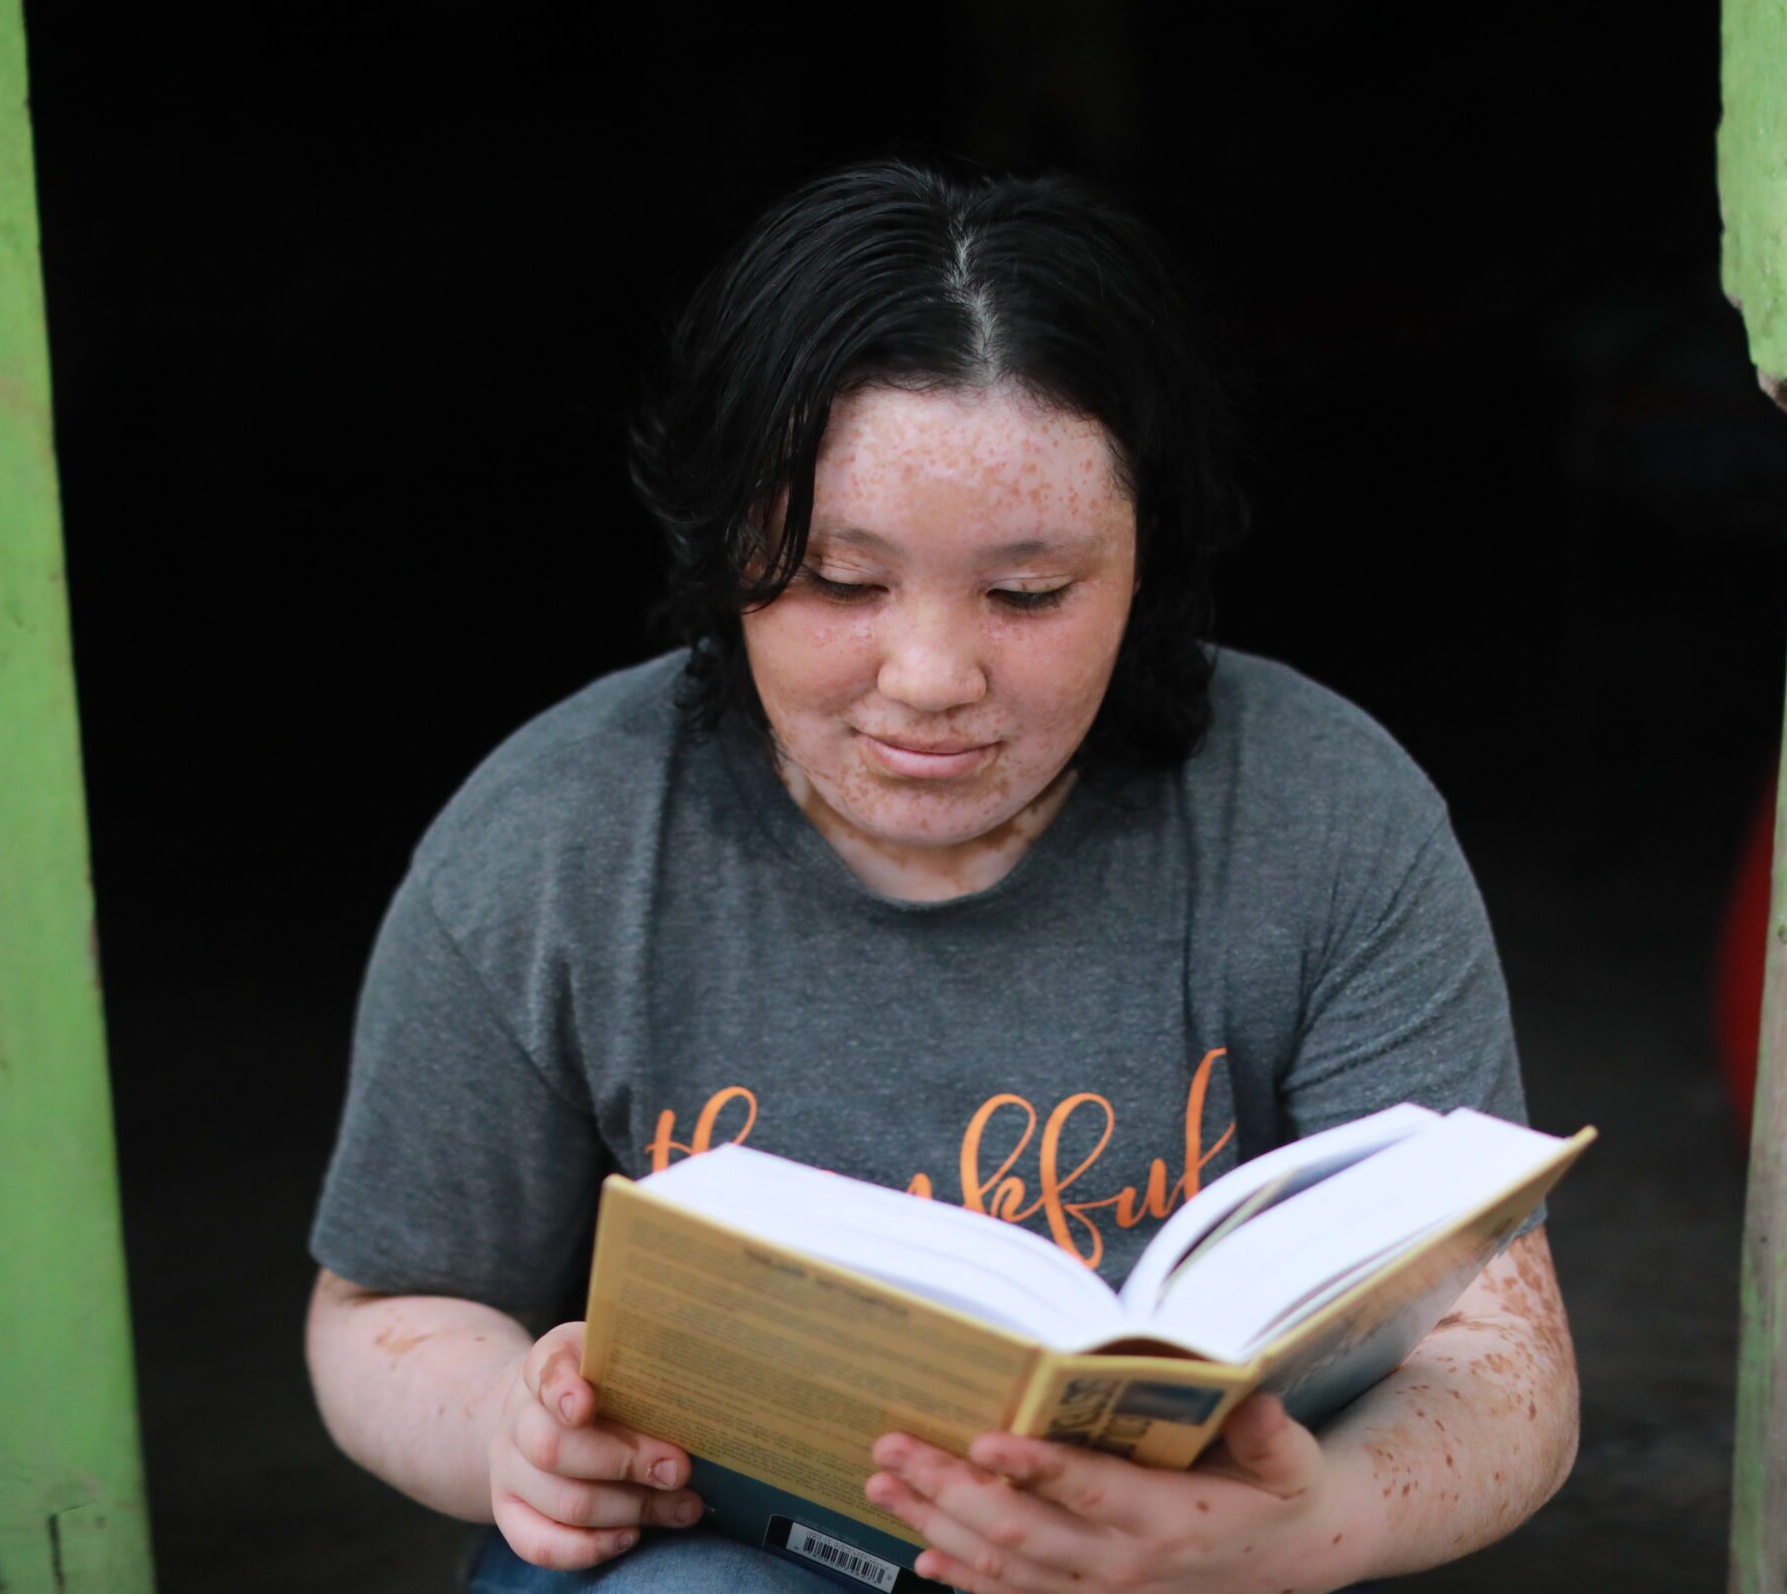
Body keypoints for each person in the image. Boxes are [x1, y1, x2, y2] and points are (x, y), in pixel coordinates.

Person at [304, 159, 1578, 1594]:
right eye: (838, 583)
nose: (929, 680)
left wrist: (1309, 1525)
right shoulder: (558, 837)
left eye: (1030, 594)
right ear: (724, 548)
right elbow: (384, 1307)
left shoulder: (1322, 813)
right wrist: (505, 1430)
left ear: (1149, 564)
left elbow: (1498, 1354)